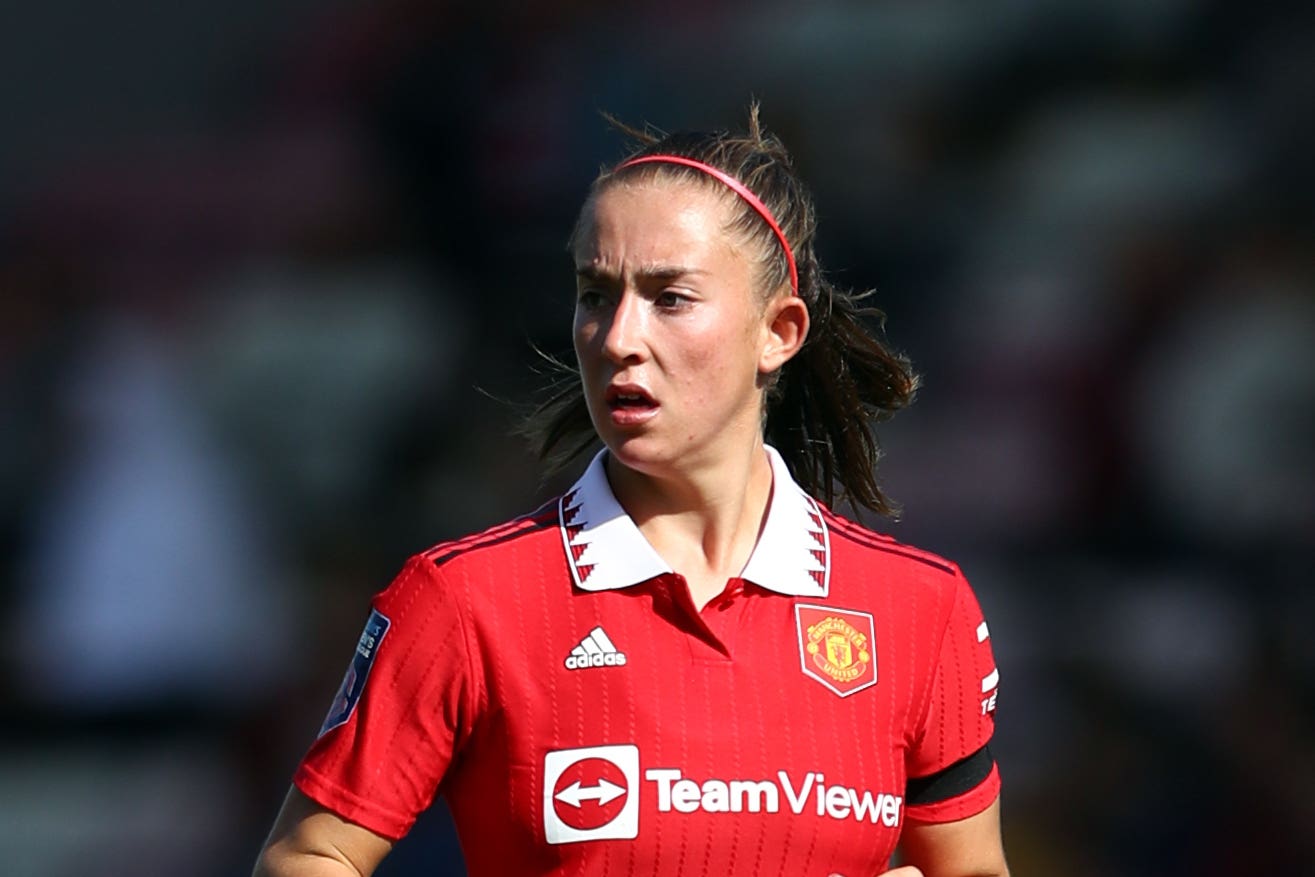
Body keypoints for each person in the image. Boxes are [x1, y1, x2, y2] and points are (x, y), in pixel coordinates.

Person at [254, 106, 1009, 877]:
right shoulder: (463, 599)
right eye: (595, 293)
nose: (617, 337)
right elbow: (312, 853)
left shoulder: (919, 608)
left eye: (669, 297)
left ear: (778, 331)